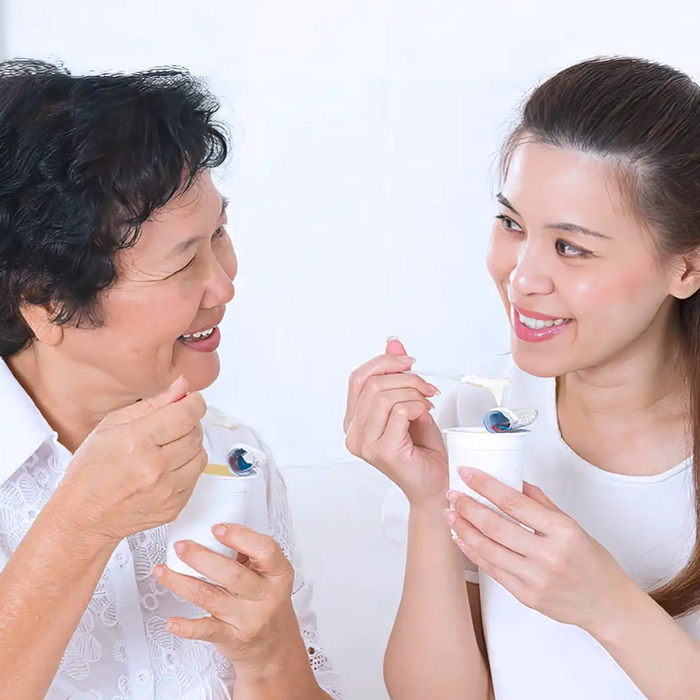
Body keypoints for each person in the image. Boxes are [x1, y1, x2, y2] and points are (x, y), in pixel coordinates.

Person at [345, 56, 700, 700]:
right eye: (512, 225)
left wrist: (608, 605)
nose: (522, 276)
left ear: (686, 267)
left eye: (571, 247)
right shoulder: (475, 413)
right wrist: (431, 505)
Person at [0, 60, 341, 700]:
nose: (224, 285)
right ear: (46, 300)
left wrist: (272, 660)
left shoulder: (237, 458)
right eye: (184, 262)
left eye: (220, 234)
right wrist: (80, 524)